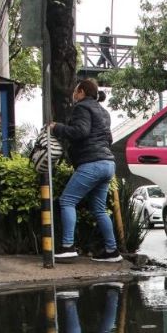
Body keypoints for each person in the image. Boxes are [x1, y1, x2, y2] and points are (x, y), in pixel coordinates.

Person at [50, 79, 121, 262]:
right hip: (107, 164)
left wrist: (56, 127)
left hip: (92, 163)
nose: (73, 95)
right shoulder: (103, 112)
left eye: (75, 91)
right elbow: (109, 139)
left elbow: (80, 131)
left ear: (81, 92)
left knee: (67, 201)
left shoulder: (82, 108)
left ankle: (68, 247)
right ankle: (112, 251)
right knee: (99, 209)